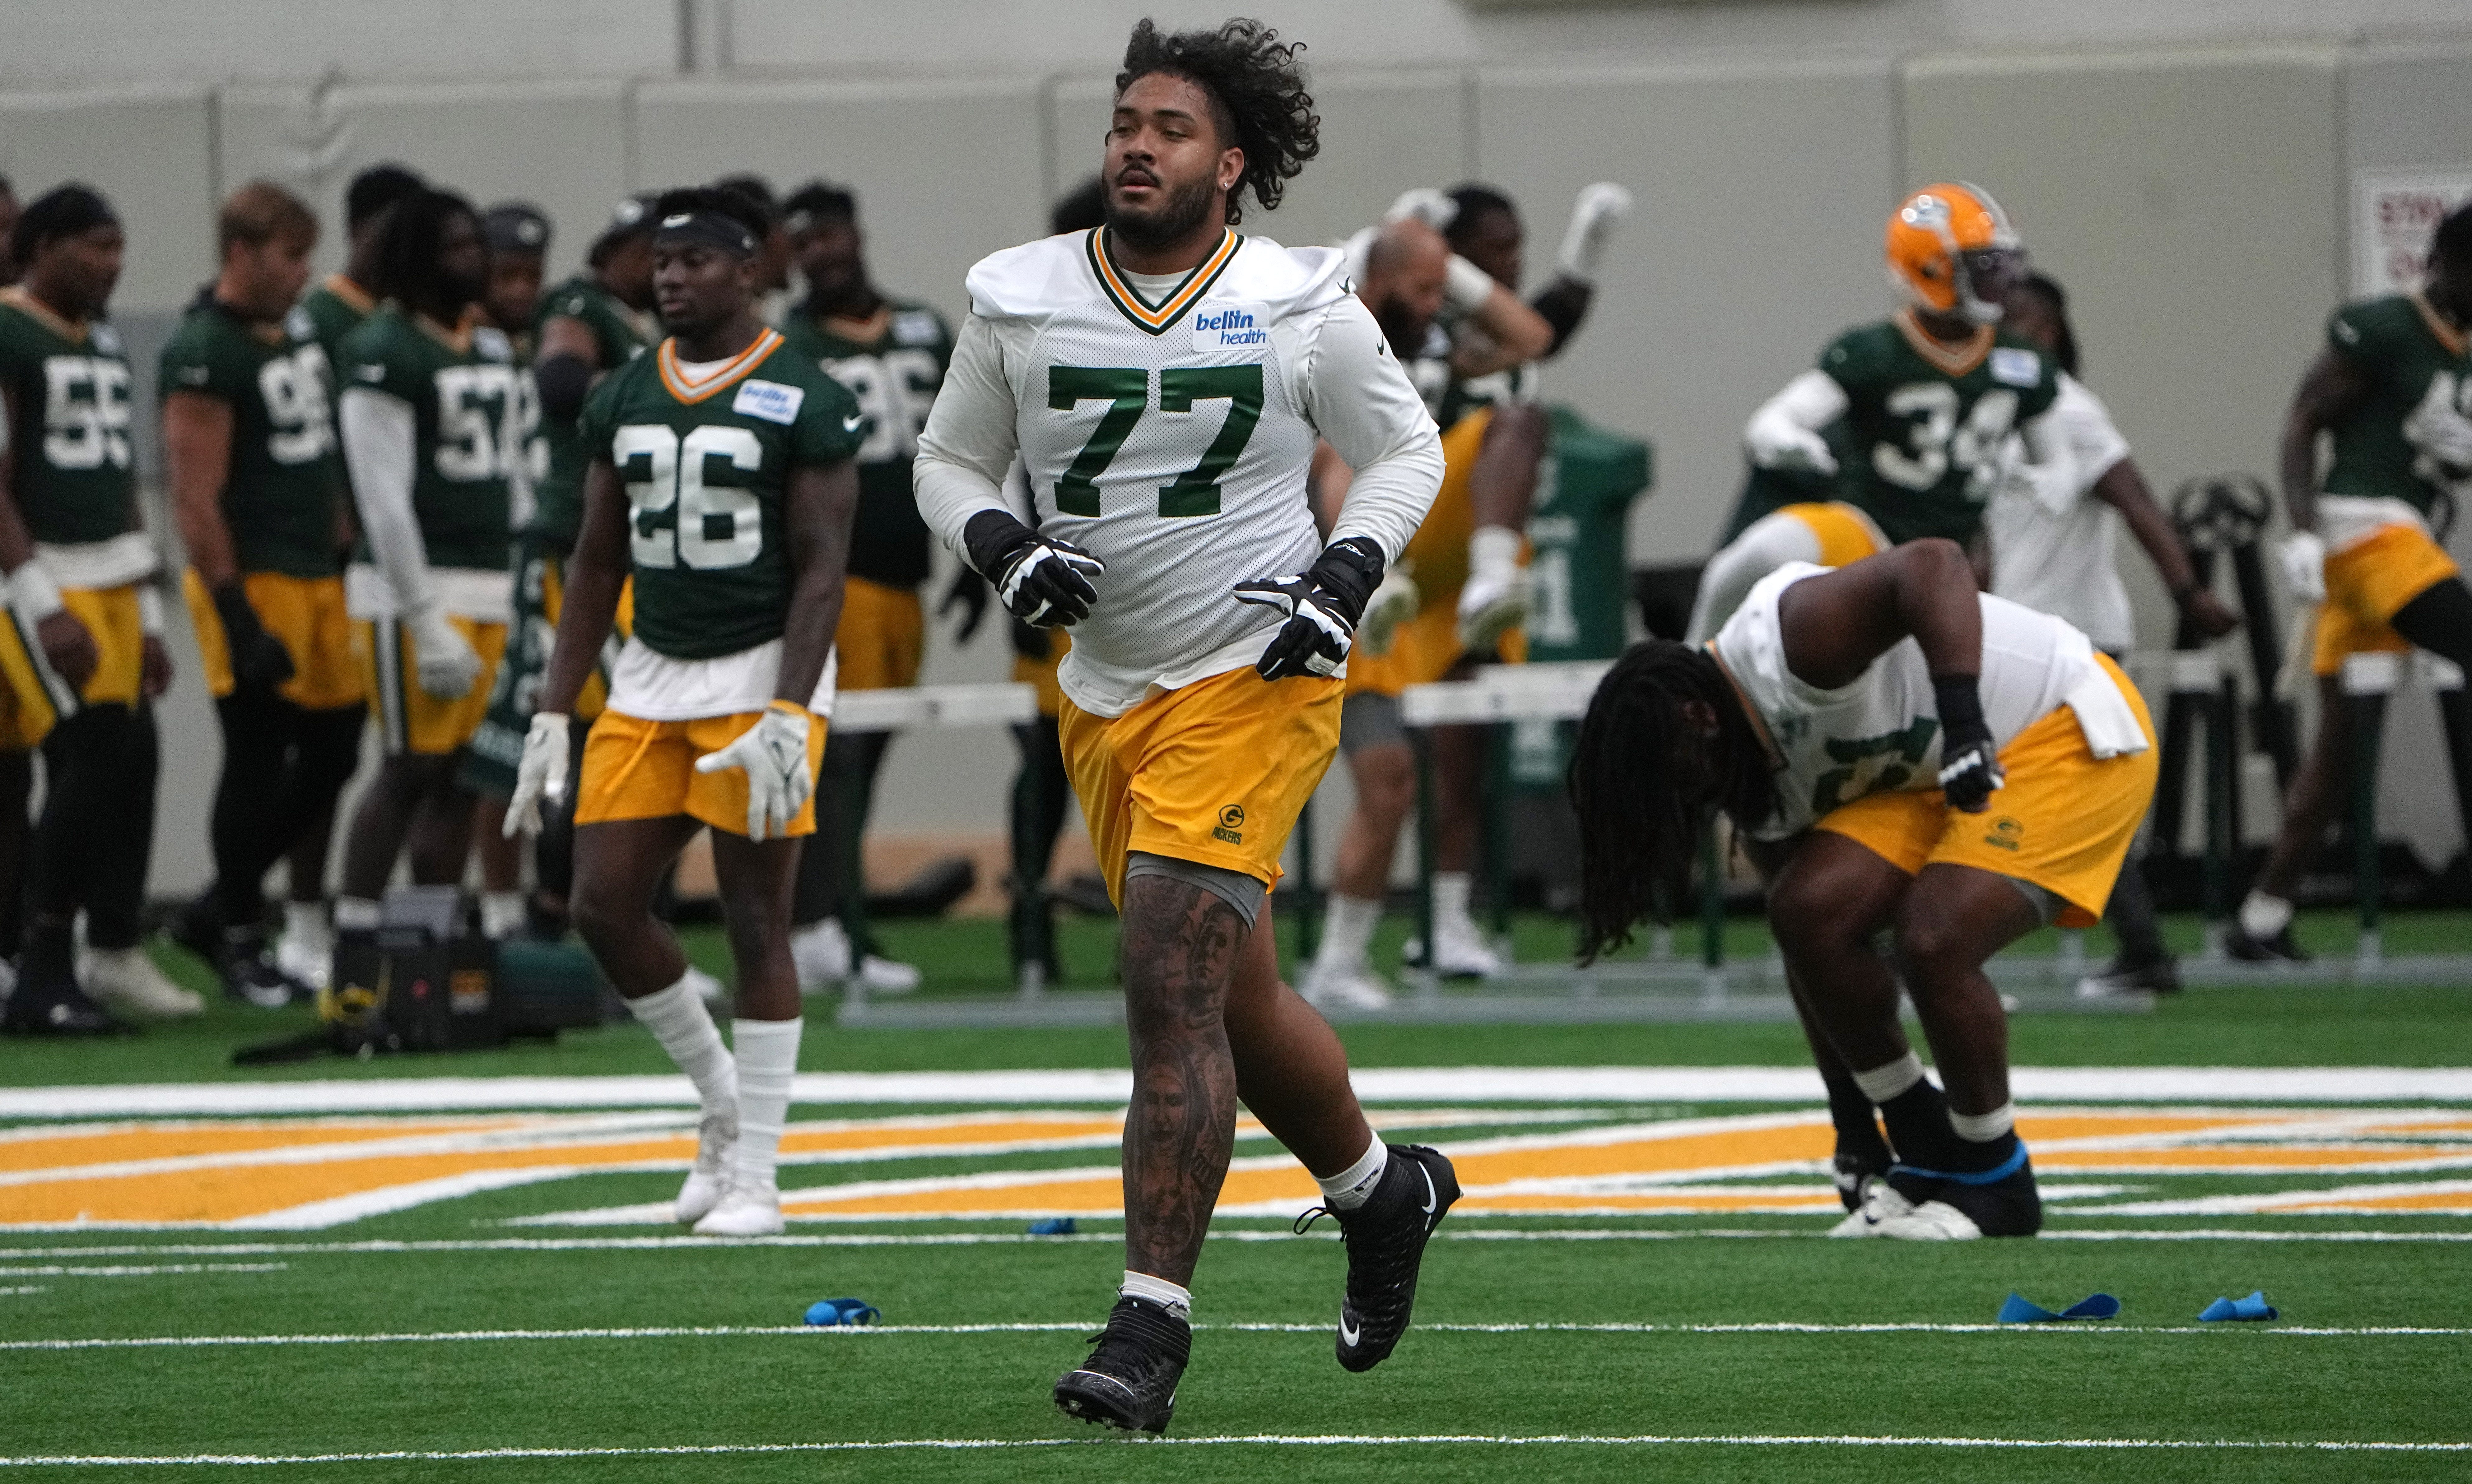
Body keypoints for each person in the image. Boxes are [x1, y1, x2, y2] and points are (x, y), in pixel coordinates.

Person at [914, 17, 1460, 1432]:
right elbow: (947, 454)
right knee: (1232, 993)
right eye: (1122, 122)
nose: (1133, 145)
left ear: (1229, 162)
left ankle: (1147, 1323)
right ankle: (1377, 1188)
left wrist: (1344, 572)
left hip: (1258, 669)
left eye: (1166, 129)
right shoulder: (1024, 296)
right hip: (1108, 687)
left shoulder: (1293, 298)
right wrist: (998, 542)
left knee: (1164, 964)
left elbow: (1408, 445)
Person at [1570, 541, 2158, 1239]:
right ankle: (1927, 1143)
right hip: (1938, 770)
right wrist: (1855, 1120)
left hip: (2062, 723)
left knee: (1934, 939)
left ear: (1697, 721)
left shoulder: (1792, 645)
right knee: (1808, 912)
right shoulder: (1748, 775)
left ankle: (1997, 1178)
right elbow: (1809, 958)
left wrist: (1966, 722)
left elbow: (1933, 565)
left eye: (1670, 775)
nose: (1680, 800)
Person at [504, 186, 863, 1237]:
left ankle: (756, 1173)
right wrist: (550, 709)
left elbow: (820, 570)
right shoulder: (622, 393)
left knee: (756, 919)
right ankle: (720, 1101)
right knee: (600, 905)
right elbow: (594, 556)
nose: (671, 276)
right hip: (652, 674)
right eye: (661, 261)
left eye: (696, 259)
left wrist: (791, 711)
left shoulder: (801, 394)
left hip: (760, 675)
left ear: (749, 269)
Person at [1301, 195, 1576, 1004]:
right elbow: (1321, 459)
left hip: (1428, 546)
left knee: (1517, 418)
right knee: (1385, 778)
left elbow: (1531, 340)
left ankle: (1493, 569)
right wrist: (1383, 256)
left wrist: (1436, 263)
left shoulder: (1437, 340)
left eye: (1440, 291)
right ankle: (1335, 960)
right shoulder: (1329, 322)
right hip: (1336, 557)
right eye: (1422, 291)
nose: (1436, 306)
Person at [1983, 272, 2240, 995]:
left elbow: (2135, 501)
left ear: (2057, 335)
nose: (2016, 336)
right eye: (2005, 322)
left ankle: (2139, 949)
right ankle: (2139, 949)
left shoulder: (2070, 411)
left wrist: (2187, 591)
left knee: (2040, 795)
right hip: (2017, 631)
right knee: (2029, 794)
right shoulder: (1994, 417)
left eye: (2030, 324)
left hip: (2074, 638)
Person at [2232, 202, 2472, 962]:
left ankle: (2259, 919)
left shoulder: (2458, 346)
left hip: (2396, 535)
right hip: (2364, 530)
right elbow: (2303, 422)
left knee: (2334, 757)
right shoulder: (2386, 327)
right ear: (2442, 263)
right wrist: (2301, 527)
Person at [1697, 183, 2075, 641]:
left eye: (2004, 265)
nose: (2004, 282)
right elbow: (1772, 420)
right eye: (1984, 267)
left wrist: (2059, 478)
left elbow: (2060, 459)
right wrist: (1782, 436)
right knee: (1744, 561)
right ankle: (1695, 659)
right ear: (1932, 268)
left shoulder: (2022, 362)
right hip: (1865, 529)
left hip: (1954, 551)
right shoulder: (1876, 351)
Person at [162, 182, 365, 1006]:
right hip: (256, 574)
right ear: (243, 253)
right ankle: (240, 926)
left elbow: (320, 452)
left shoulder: (293, 331)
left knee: (336, 748)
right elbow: (193, 495)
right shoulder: (206, 347)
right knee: (256, 755)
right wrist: (234, 610)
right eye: (290, 255)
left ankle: (218, 905)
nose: (304, 272)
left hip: (317, 571)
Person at [0, 185, 197, 1034]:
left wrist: (152, 616)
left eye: (119, 248)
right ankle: (41, 960)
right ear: (43, 246)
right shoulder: (9, 327)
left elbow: (123, 480)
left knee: (126, 753)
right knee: (86, 755)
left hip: (112, 579)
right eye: (95, 247)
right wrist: (40, 600)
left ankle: (96, 949)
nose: (113, 265)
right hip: (42, 574)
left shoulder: (106, 337)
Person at [775, 179, 964, 994]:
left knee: (868, 752)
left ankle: (829, 915)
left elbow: (975, 435)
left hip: (904, 579)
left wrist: (974, 552)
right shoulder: (788, 342)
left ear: (855, 234)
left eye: (828, 235)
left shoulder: (922, 326)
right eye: (803, 241)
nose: (820, 253)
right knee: (835, 754)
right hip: (834, 576)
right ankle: (821, 921)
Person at [463, 196, 660, 943]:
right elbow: (559, 379)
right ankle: (532, 914)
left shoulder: (647, 323)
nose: (659, 269)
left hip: (620, 548)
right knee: (552, 732)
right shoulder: (581, 307)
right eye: (646, 253)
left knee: (598, 732)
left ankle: (564, 914)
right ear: (609, 253)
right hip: (567, 549)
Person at [332, 188, 524, 938]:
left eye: (475, 242)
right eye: (452, 246)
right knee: (410, 766)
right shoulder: (382, 349)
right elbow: (380, 497)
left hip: (488, 582)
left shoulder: (489, 343)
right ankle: (353, 941)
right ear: (413, 256)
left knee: (464, 775)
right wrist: (421, 615)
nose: (472, 259)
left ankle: (428, 940)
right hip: (413, 588)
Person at [280, 161, 425, 987]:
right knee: (334, 746)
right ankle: (305, 916)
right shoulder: (329, 321)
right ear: (369, 230)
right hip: (338, 561)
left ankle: (358, 919)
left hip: (399, 559)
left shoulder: (406, 321)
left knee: (390, 754)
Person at [1003, 177, 1108, 990]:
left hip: (1153, 585)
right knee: (1048, 761)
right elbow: (1002, 455)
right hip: (1062, 583)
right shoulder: (1037, 328)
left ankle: (1149, 937)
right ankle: (1030, 926)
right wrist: (1011, 562)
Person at [462, 201, 555, 939]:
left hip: (538, 558)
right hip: (481, 562)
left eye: (533, 273)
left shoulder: (549, 341)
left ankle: (543, 901)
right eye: (506, 274)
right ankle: (496, 909)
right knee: (501, 744)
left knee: (544, 732)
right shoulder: (461, 344)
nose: (521, 289)